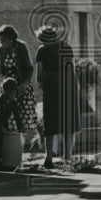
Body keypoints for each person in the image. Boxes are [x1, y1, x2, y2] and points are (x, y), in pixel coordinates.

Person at [0, 24, 39, 152]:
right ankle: (11, 146)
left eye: (3, 40)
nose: (1, 43)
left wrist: (25, 84)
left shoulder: (21, 47)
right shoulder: (1, 49)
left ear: (11, 39)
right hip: (7, 87)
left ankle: (22, 145)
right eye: (0, 40)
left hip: (21, 86)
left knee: (21, 117)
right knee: (6, 115)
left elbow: (30, 68)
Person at [34, 25, 81, 169]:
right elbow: (72, 67)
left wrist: (41, 82)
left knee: (51, 120)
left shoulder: (42, 49)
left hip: (52, 84)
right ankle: (67, 157)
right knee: (69, 120)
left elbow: (39, 73)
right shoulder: (66, 47)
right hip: (69, 83)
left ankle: (49, 158)